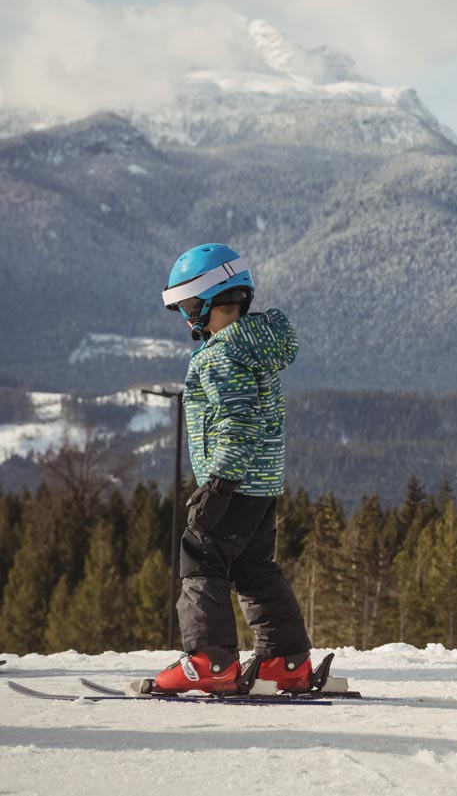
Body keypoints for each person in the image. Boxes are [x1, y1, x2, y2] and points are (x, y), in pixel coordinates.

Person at [155, 243, 313, 693]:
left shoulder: (221, 354)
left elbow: (238, 420)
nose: (187, 318)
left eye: (188, 306)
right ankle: (285, 660)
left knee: (201, 555)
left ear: (210, 302)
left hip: (234, 482)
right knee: (253, 567)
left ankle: (211, 661)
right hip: (261, 483)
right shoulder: (254, 345)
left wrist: (219, 483)